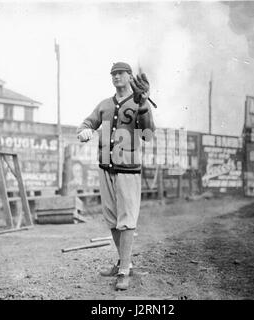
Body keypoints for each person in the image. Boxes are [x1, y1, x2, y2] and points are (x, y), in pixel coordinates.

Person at [77, 62, 155, 290]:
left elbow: (148, 134)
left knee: (127, 219)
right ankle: (124, 262)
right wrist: (84, 130)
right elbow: (87, 122)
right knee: (111, 218)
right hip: (106, 168)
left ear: (130, 77)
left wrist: (143, 104)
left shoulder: (139, 101)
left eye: (120, 73)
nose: (116, 77)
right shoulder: (104, 105)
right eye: (113, 74)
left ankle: (124, 272)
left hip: (128, 170)